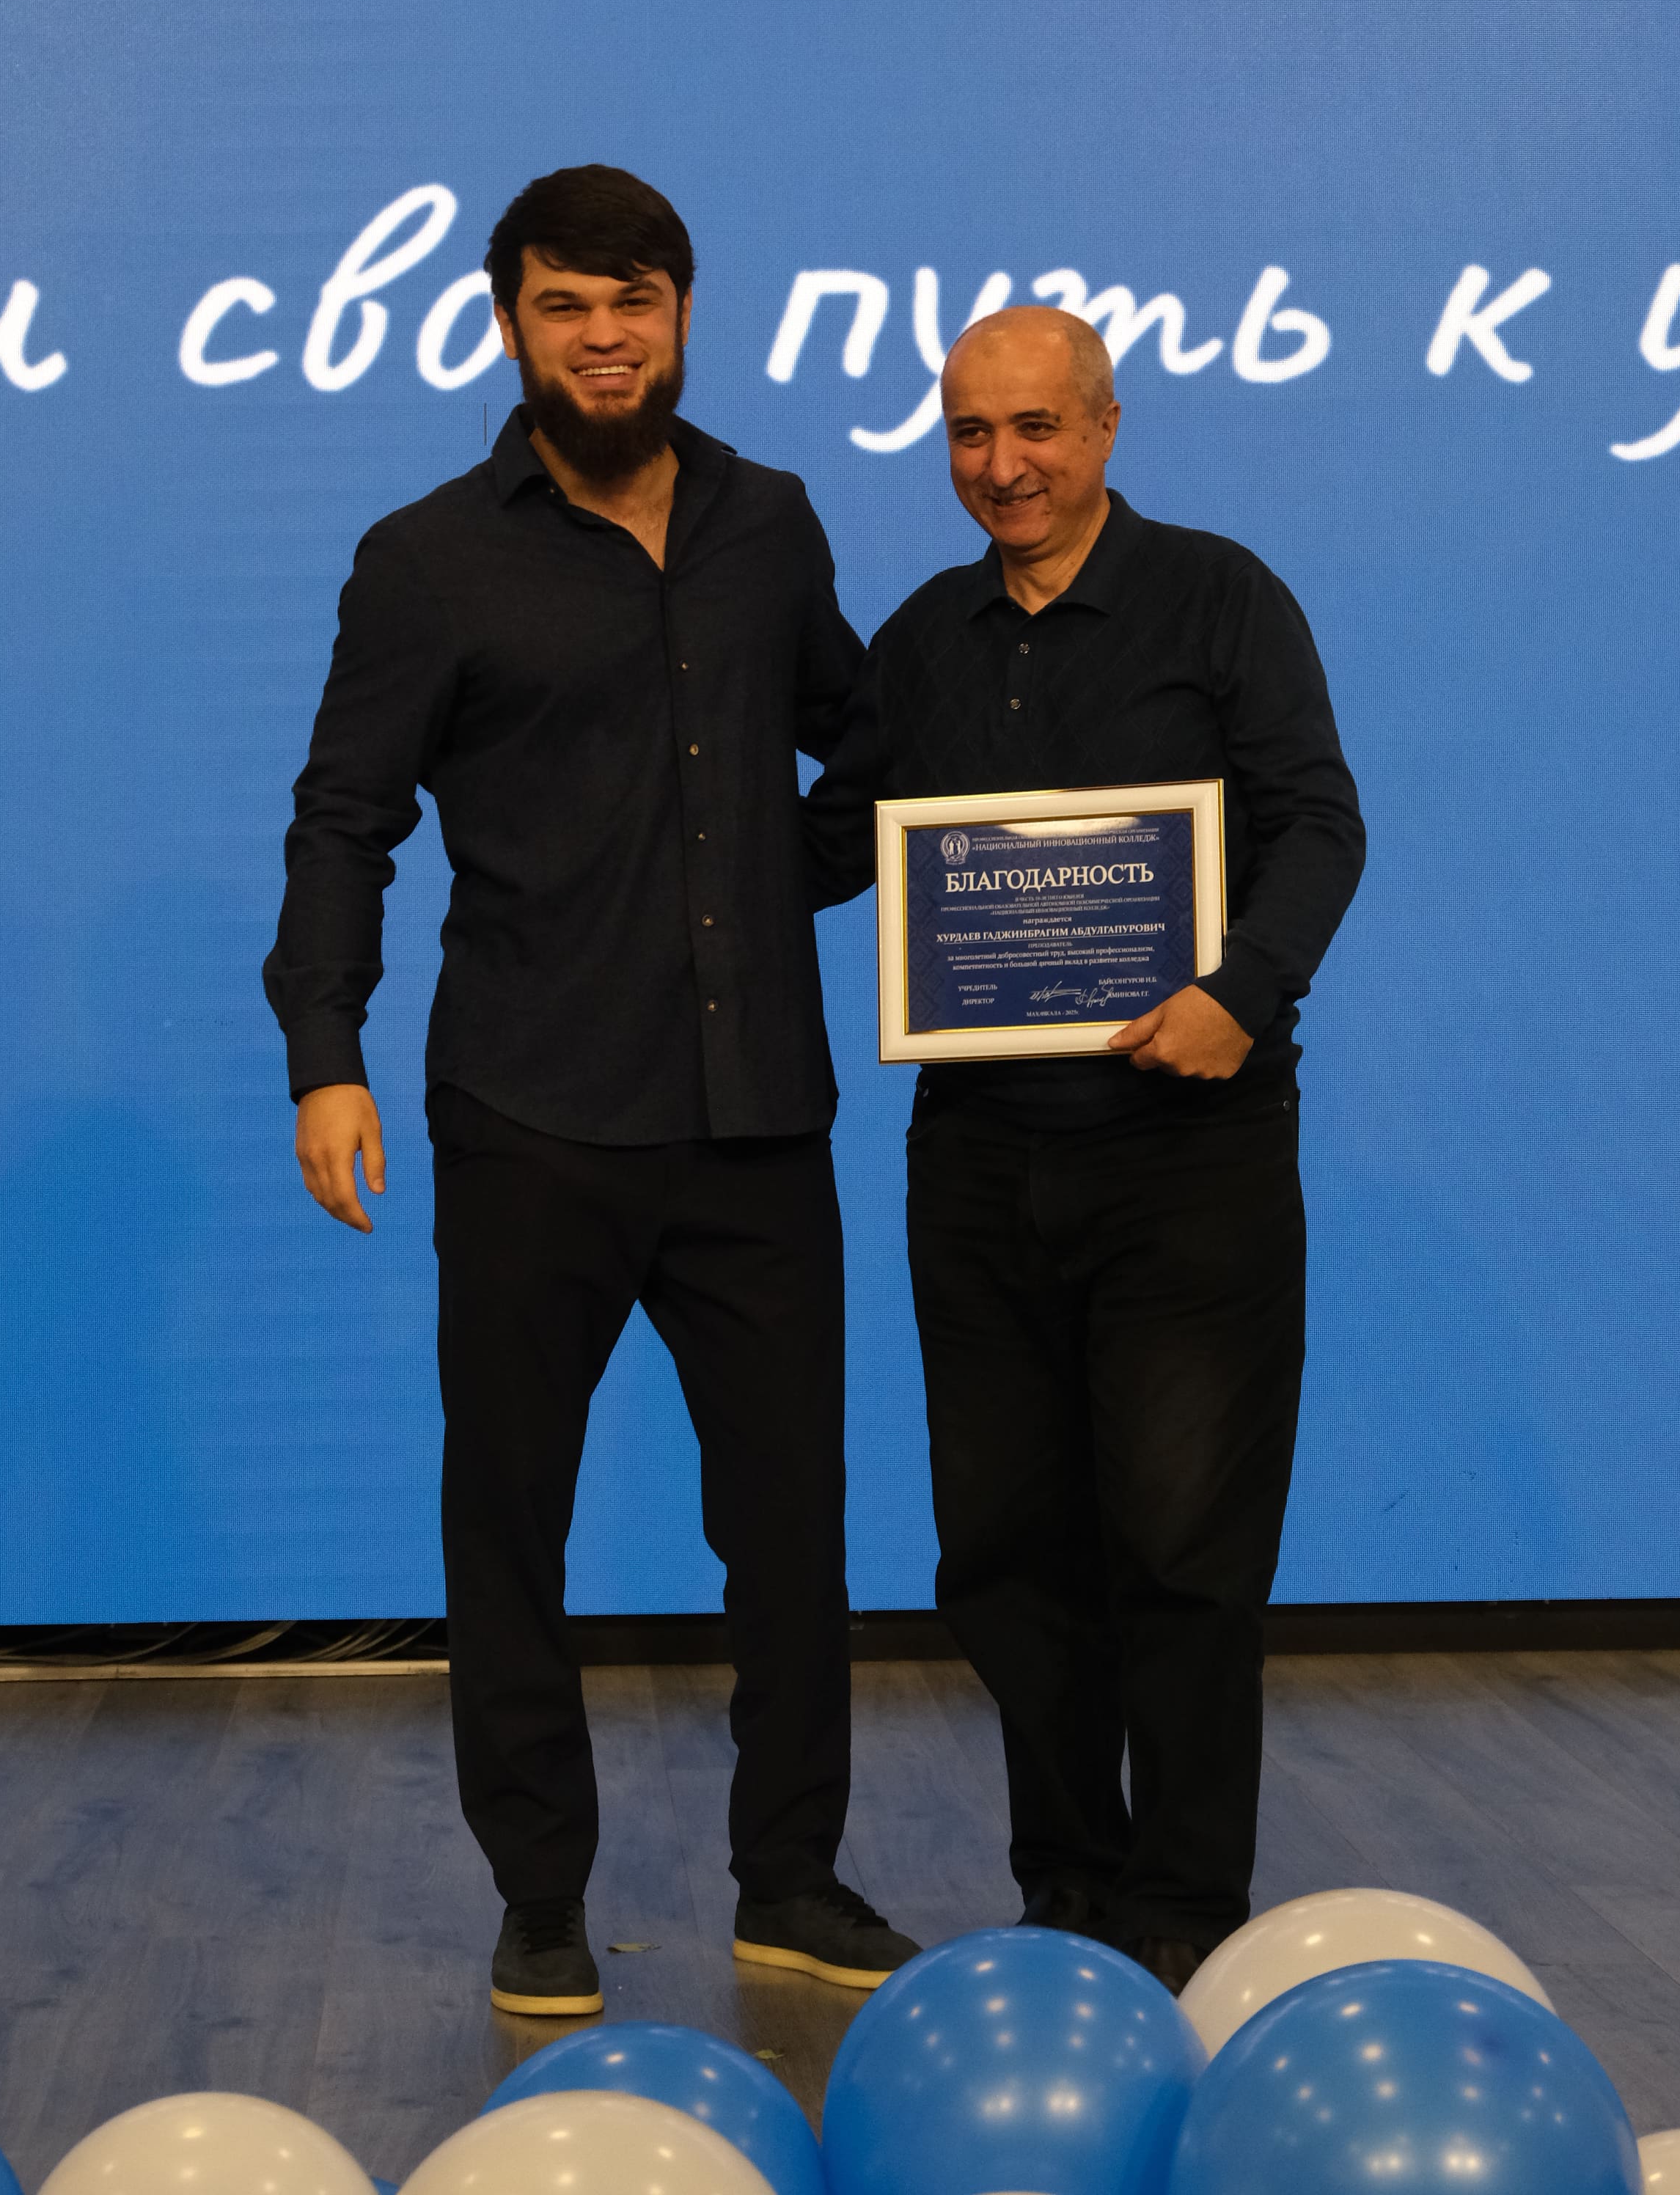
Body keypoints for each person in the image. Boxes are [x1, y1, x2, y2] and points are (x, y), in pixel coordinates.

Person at [264, 163, 917, 2017]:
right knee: (510, 1526)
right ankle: (539, 1898)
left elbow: (866, 743)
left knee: (789, 1529)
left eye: (634, 301)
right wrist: (325, 1056)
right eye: (565, 305)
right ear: (510, 326)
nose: (604, 336)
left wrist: (775, 877)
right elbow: (343, 821)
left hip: (756, 1117)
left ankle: (790, 1882)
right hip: (530, 1115)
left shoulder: (770, 522)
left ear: (683, 315)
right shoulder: (424, 560)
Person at [803, 304, 1365, 1992]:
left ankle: (1183, 1908)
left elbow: (1318, 822)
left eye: (1035, 428)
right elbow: (832, 844)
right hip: (977, 1162)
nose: (1003, 466)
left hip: (1187, 1154)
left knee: (1182, 1550)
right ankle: (1065, 1884)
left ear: (1105, 427)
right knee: (1000, 1551)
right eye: (971, 434)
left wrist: (1242, 991)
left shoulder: (1220, 599)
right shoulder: (921, 640)